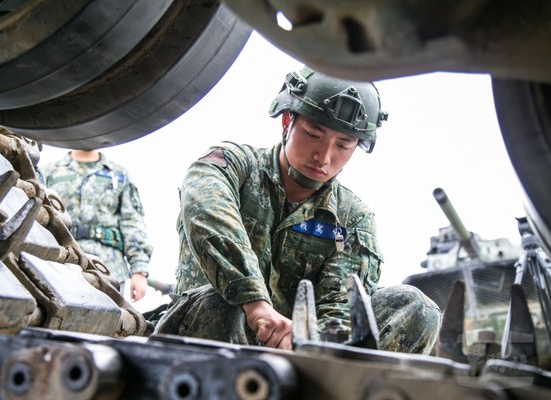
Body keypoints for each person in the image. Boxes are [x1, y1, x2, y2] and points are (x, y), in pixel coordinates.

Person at [154, 66, 441, 353]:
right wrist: (255, 305)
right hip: (203, 335)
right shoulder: (232, 166)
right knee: (224, 303)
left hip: (296, 352)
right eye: (314, 134)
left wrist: (305, 342)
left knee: (417, 307)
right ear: (287, 121)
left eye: (344, 144)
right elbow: (208, 212)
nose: (324, 157)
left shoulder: (352, 219)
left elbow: (339, 312)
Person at [42, 149, 154, 302]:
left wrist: (139, 271)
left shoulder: (118, 174)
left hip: (108, 270)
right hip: (62, 263)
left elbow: (132, 222)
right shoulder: (50, 172)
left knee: (107, 321)